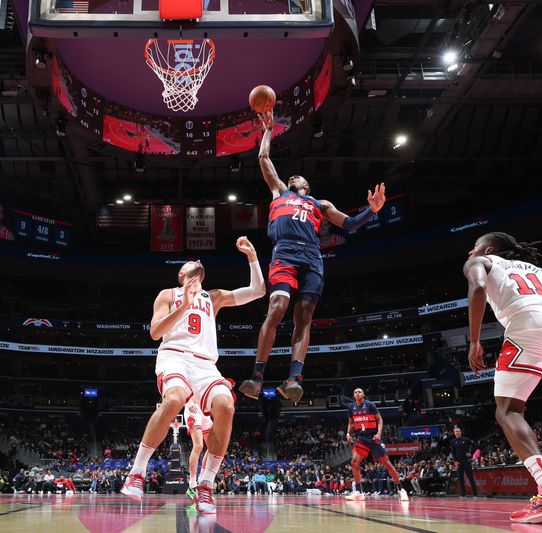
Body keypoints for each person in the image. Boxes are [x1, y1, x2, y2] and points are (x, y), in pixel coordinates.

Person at [239, 110, 386, 402]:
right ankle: (257, 376)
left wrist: (373, 210)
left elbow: (351, 224)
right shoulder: (279, 192)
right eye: (290, 175)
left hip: (312, 258)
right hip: (284, 253)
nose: (292, 175)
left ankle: (294, 378)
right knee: (277, 306)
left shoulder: (320, 204)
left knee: (304, 316)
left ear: (306, 186)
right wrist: (267, 130)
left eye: (298, 176)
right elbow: (263, 160)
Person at [121, 236, 266, 514]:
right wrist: (184, 306)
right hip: (174, 355)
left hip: (205, 366)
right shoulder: (168, 294)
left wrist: (252, 256)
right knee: (175, 398)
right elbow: (154, 333)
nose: (197, 261)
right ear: (181, 274)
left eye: (199, 262)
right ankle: (137, 472)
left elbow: (258, 290)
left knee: (226, 404)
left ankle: (206, 486)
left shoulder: (214, 297)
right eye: (191, 262)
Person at [464, 231, 542, 523]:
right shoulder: (536, 269)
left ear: (487, 249)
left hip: (529, 323)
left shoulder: (482, 262)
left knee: (508, 409)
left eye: (473, 247)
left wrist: (474, 341)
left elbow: (477, 289)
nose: (469, 253)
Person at [344, 388, 409, 501]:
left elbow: (380, 420)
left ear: (363, 394)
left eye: (359, 392)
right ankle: (359, 492)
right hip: (361, 438)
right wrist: (348, 434)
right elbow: (351, 423)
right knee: (354, 463)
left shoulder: (370, 405)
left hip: (373, 438)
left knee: (387, 463)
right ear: (353, 396)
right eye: (355, 392)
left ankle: (401, 489)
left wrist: (379, 433)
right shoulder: (351, 408)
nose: (357, 393)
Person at [184, 398, 213, 500]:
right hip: (194, 407)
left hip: (205, 409)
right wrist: (189, 402)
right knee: (198, 445)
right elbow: (187, 387)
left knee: (213, 448)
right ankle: (192, 484)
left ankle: (201, 479)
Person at [450, 427, 478, 497]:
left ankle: (475, 494)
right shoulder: (453, 441)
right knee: (460, 478)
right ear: (454, 433)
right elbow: (453, 452)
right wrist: (455, 461)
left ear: (461, 432)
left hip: (466, 461)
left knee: (470, 477)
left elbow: (475, 446)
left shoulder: (466, 439)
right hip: (458, 462)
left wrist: (470, 453)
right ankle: (463, 495)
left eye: (458, 431)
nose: (457, 433)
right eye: (456, 431)